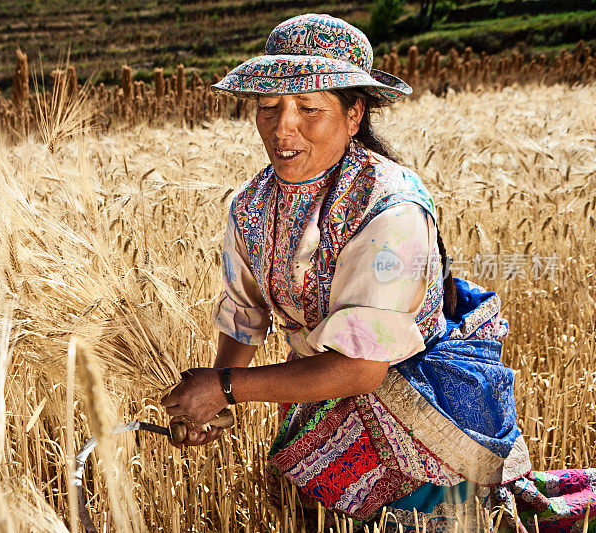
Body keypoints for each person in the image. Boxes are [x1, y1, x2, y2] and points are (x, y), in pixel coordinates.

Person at [160, 13, 596, 532]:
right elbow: (245, 313)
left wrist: (226, 386)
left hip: (415, 416)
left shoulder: (391, 210)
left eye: (309, 109)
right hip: (318, 402)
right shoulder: (252, 205)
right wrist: (215, 399)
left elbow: (362, 369)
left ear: (353, 114)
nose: (283, 128)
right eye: (268, 107)